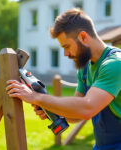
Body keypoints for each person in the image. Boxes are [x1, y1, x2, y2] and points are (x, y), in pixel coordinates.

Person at [6, 8, 121, 150]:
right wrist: (53, 111)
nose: (65, 54)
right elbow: (77, 113)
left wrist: (35, 97)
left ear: (83, 37)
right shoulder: (85, 69)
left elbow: (87, 108)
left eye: (67, 46)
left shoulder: (115, 64)